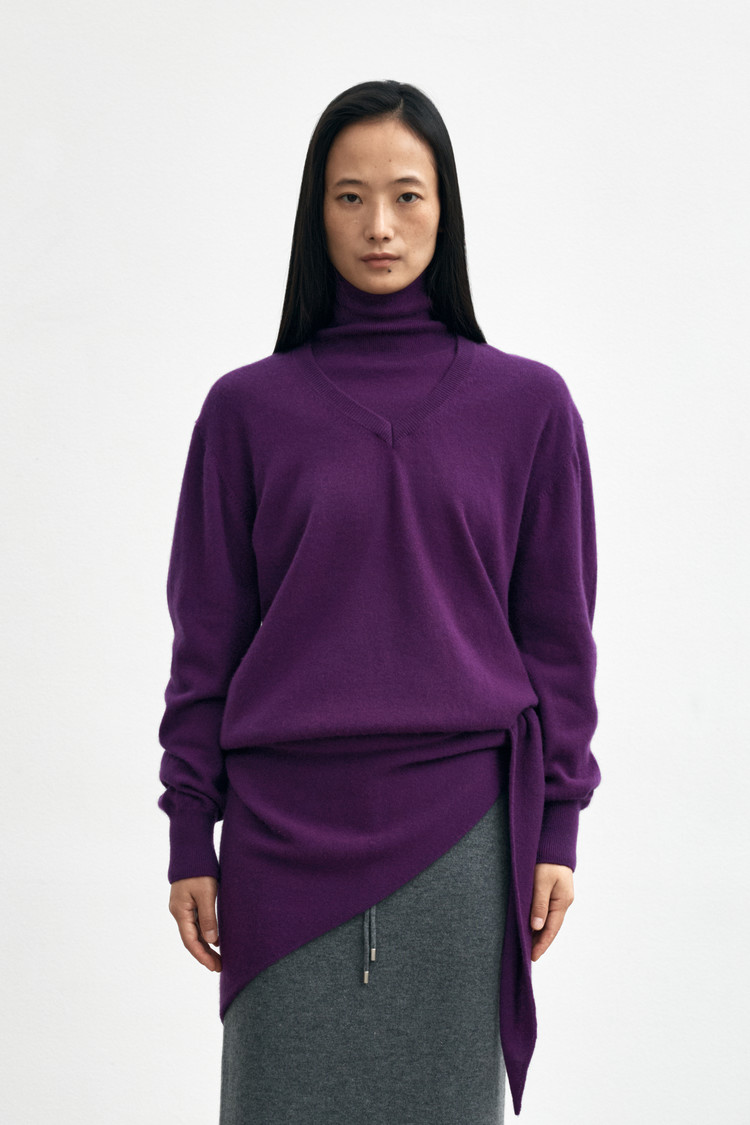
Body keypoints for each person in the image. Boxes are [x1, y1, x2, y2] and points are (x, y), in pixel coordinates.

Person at [157, 79, 602, 1123]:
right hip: (279, 839)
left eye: (407, 195)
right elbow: (205, 642)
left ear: (445, 210)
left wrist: (559, 826)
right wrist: (188, 832)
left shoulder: (529, 407)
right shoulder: (245, 412)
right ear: (316, 215)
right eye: (350, 197)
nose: (380, 226)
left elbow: (559, 641)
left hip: (464, 834)